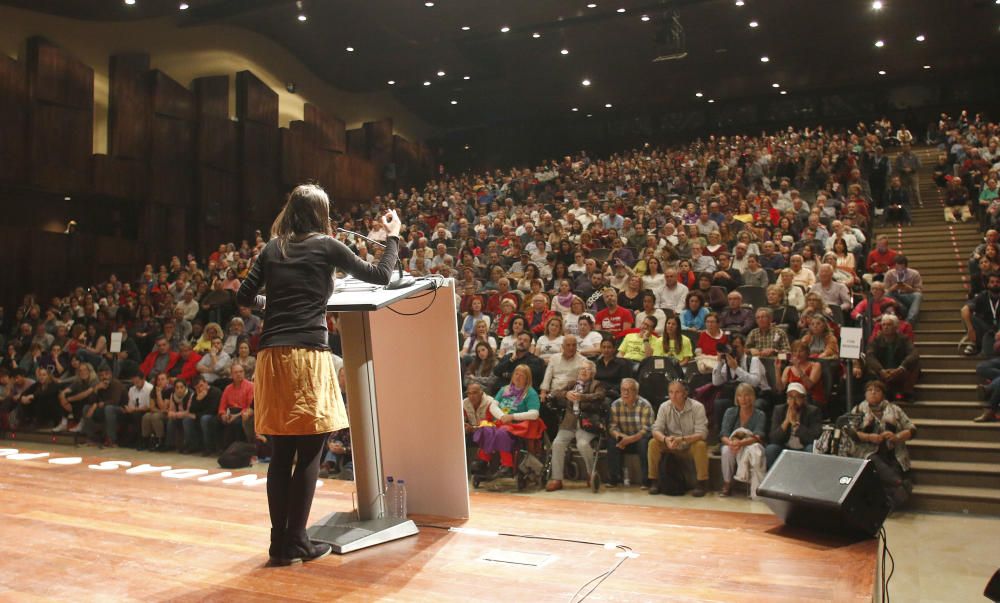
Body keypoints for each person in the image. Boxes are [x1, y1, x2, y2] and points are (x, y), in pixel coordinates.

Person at [235, 184, 402, 565]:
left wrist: (272, 301)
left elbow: (243, 298)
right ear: (320, 214)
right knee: (310, 451)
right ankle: (298, 541)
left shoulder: (272, 248)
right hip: (307, 355)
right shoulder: (326, 245)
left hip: (272, 356)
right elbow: (380, 275)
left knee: (281, 455)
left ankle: (281, 545)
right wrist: (393, 238)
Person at [849, 380, 916, 507]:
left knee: (887, 476)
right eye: (870, 390)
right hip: (867, 452)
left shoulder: (895, 409)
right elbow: (851, 433)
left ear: (883, 394)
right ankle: (900, 483)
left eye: (877, 390)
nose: (873, 393)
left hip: (893, 452)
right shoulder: (858, 410)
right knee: (873, 462)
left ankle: (894, 492)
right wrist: (869, 437)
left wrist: (896, 437)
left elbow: (912, 429)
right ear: (865, 394)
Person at [471, 364, 545, 479]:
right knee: (486, 429)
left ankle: (508, 466)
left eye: (522, 375)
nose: (518, 377)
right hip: (503, 420)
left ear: (527, 379)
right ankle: (483, 462)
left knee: (501, 431)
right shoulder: (504, 389)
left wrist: (512, 416)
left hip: (520, 424)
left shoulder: (530, 393)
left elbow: (534, 414)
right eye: (516, 374)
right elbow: (493, 406)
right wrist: (502, 416)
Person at [546, 362, 607, 491]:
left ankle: (591, 474)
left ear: (593, 373)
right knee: (557, 444)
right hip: (569, 423)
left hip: (587, 423)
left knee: (582, 444)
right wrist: (566, 394)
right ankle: (557, 479)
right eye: (582, 369)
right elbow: (555, 393)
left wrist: (582, 397)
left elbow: (600, 396)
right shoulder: (571, 384)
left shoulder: (597, 385)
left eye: (588, 369)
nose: (584, 371)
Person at [647, 380, 710, 497]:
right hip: (671, 445)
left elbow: (702, 433)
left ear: (685, 393)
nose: (673, 396)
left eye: (677, 392)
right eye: (670, 392)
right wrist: (666, 439)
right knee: (653, 443)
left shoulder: (697, 407)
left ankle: (702, 482)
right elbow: (656, 430)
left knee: (701, 445)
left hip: (689, 445)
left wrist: (682, 439)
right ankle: (654, 481)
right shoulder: (664, 407)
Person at [718, 383, 767, 498]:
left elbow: (758, 436)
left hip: (750, 444)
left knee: (755, 450)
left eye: (747, 395)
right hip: (733, 444)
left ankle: (754, 487)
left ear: (753, 397)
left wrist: (740, 443)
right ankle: (727, 483)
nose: (744, 399)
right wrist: (731, 443)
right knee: (726, 451)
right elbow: (723, 434)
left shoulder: (760, 414)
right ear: (737, 398)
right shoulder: (730, 412)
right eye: (740, 396)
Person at [860, 314, 920, 403]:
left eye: (889, 325)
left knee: (915, 364)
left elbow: (914, 353)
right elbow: (870, 356)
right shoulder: (876, 340)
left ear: (896, 327)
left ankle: (908, 393)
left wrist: (901, 368)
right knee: (869, 365)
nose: (886, 327)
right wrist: (881, 370)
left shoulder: (904, 339)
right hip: (882, 371)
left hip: (899, 370)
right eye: (883, 325)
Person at [606, 378, 654, 488]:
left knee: (645, 443)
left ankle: (647, 481)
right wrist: (620, 437)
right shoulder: (615, 405)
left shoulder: (645, 405)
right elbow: (612, 427)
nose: (626, 393)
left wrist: (629, 439)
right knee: (611, 441)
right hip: (623, 439)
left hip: (639, 439)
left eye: (630, 390)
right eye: (623, 390)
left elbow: (646, 429)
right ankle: (613, 479)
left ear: (636, 392)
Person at [765, 382, 822, 467]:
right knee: (771, 449)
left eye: (797, 397)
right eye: (790, 397)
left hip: (804, 447)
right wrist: (786, 421)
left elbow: (814, 438)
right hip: (785, 446)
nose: (793, 401)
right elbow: (773, 438)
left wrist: (795, 424)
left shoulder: (813, 411)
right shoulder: (779, 410)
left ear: (803, 399)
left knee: (811, 449)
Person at [962, 272, 1000, 356]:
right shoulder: (983, 295)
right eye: (992, 282)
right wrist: (970, 329)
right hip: (987, 328)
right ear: (988, 284)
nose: (995, 284)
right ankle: (975, 344)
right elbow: (964, 310)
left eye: (997, 282)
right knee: (969, 316)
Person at [883, 256, 923, 325]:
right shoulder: (889, 274)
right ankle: (902, 310)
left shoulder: (914, 273)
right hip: (895, 298)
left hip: (908, 296)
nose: (900, 270)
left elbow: (919, 290)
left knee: (918, 295)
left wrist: (910, 289)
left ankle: (910, 320)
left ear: (906, 266)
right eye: (897, 268)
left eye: (902, 268)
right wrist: (893, 288)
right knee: (887, 294)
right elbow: (884, 291)